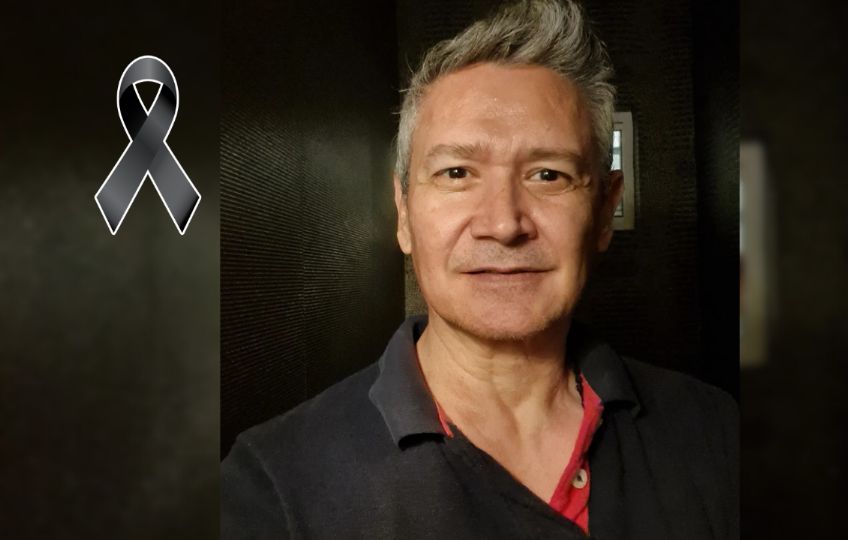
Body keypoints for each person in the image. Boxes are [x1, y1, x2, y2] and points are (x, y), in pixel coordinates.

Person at [220, 1, 738, 538]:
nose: (503, 223)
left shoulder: (713, 430)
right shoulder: (273, 488)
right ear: (404, 213)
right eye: (457, 173)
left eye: (548, 174)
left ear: (605, 210)